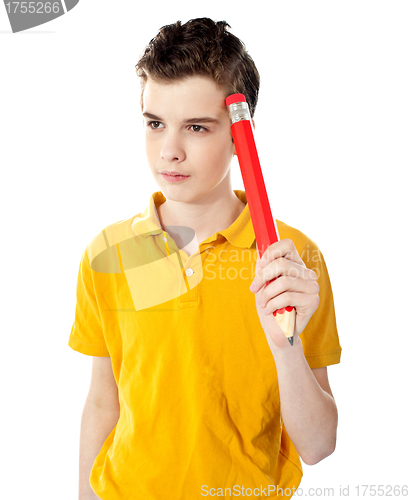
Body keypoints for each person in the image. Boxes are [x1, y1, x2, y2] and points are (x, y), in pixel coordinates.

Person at [69, 17, 342, 500]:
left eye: (196, 127)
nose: (169, 151)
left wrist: (286, 344)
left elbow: (318, 446)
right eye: (155, 124)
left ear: (242, 135)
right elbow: (101, 403)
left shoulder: (294, 260)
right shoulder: (109, 254)